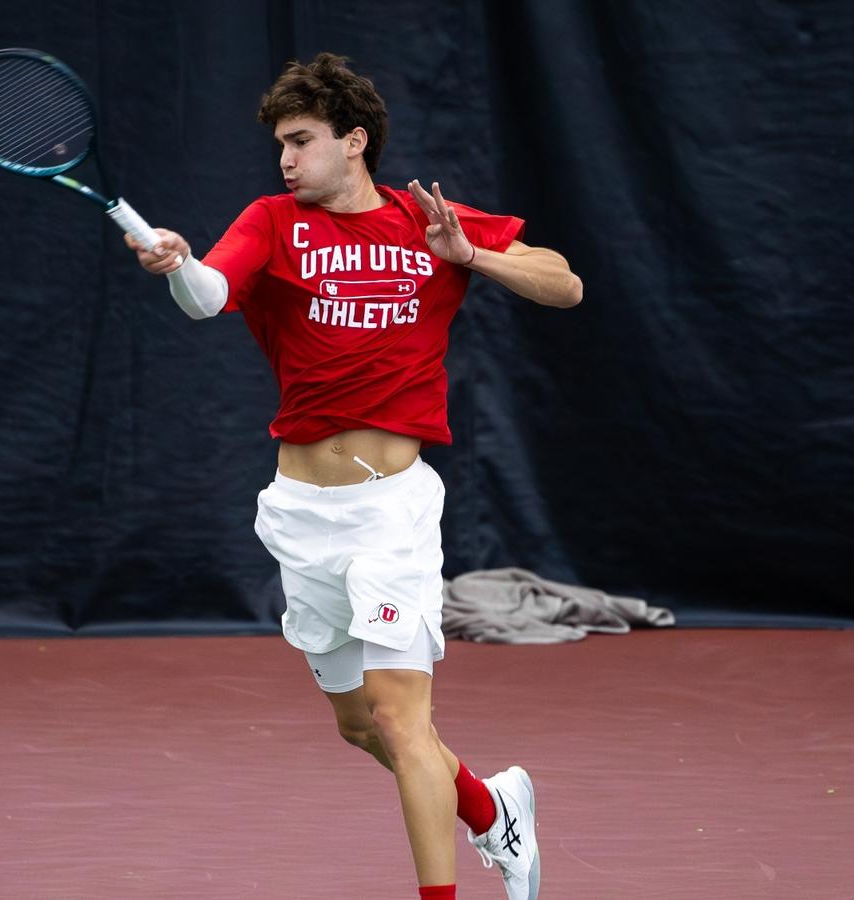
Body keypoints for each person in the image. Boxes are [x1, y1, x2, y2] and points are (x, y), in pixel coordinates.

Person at [126, 53, 581, 900]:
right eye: (280, 145)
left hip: (391, 512)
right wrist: (178, 262)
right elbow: (209, 294)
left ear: (355, 140)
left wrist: (471, 255)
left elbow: (565, 283)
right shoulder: (272, 221)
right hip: (300, 513)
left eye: (301, 140)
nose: (286, 159)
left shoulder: (427, 220)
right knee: (359, 726)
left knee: (403, 721)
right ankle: (491, 808)